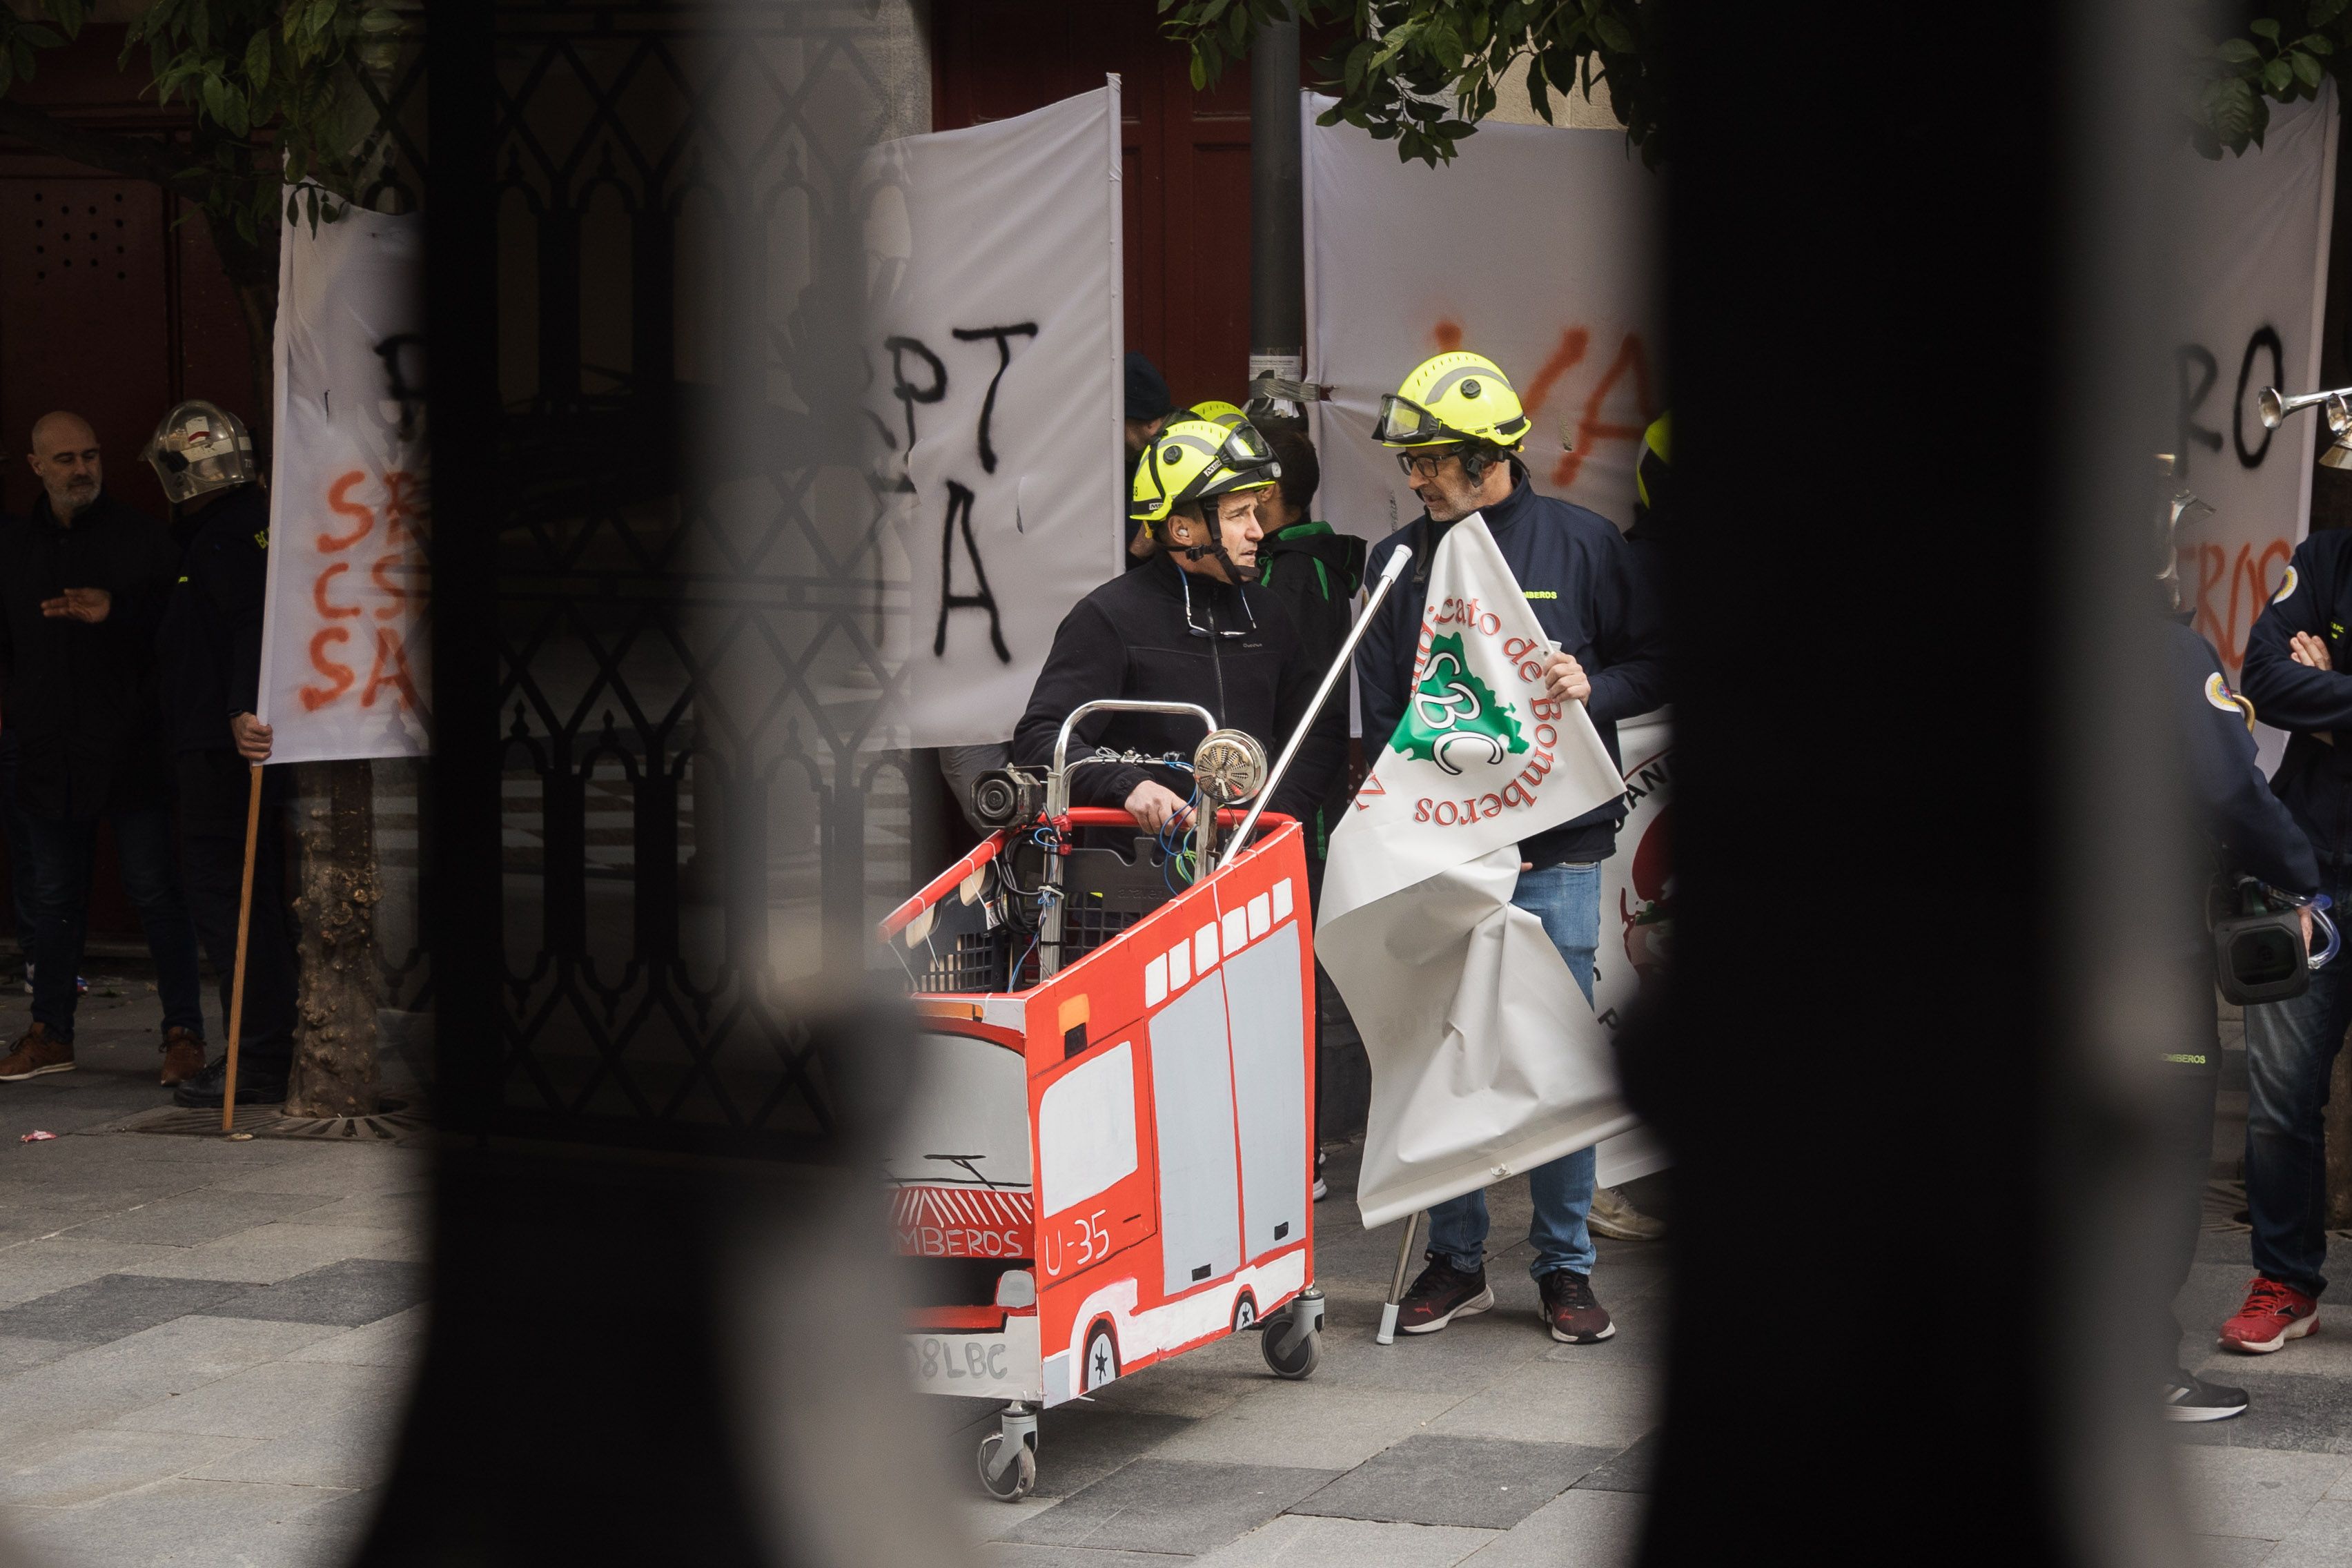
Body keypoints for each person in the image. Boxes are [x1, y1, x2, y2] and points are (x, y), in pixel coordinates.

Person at [1355, 351, 1665, 1345]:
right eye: (1410, 462)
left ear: (1490, 457)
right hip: (1447, 856)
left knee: (1556, 1061)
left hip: (1559, 855)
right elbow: (1383, 713)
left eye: (1431, 460)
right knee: (1452, 1055)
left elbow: (1657, 660)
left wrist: (1594, 688)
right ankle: (1457, 1263)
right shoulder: (1396, 561)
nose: (1415, 477)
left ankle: (1565, 1269)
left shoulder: (1584, 544)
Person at [2155, 480, 2317, 1420]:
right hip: (2145, 957)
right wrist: (2302, 882)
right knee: (2156, 1155)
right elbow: (2231, 791)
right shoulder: (2168, 652)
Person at [1014, 415, 1344, 843]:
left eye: (1255, 512)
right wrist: (1127, 785)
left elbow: (1317, 732)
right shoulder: (1108, 616)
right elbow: (1043, 738)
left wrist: (1272, 819)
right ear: (1182, 529)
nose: (1258, 531)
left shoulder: (1269, 614)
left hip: (1251, 862)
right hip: (1136, 870)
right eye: (1238, 514)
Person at [0, 411, 206, 1085]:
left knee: (154, 891)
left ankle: (184, 1033)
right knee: (53, 898)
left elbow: (183, 634)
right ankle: (50, 1033)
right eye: (64, 459)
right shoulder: (15, 547)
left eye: (89, 455)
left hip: (130, 748)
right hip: (47, 750)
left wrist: (116, 611)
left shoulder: (143, 540)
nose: (81, 469)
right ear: (36, 466)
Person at [147, 402, 299, 1108]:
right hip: (219, 743)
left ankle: (259, 1057)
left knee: (231, 902)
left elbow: (252, 623)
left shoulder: (225, 537)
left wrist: (241, 707)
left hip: (220, 750)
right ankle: (264, 1049)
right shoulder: (249, 525)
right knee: (250, 900)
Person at [2229, 526, 2352, 1355]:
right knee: (2280, 1098)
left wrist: (2331, 698)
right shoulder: (2325, 559)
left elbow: (2299, 691)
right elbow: (2264, 679)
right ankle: (2286, 1281)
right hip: (2307, 872)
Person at [1121, 353, 1175, 567]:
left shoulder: (1156, 462)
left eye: (1161, 418)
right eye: (1147, 420)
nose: (1155, 429)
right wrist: (1137, 551)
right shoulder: (1090, 476)